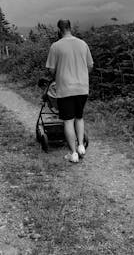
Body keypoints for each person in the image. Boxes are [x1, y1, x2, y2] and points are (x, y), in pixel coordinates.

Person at [45, 19, 93, 163]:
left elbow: (51, 69)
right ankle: (80, 146)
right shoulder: (83, 44)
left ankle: (73, 153)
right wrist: (82, 75)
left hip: (65, 88)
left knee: (68, 121)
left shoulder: (56, 46)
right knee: (79, 117)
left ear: (59, 30)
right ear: (70, 28)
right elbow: (90, 66)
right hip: (82, 87)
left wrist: (57, 76)